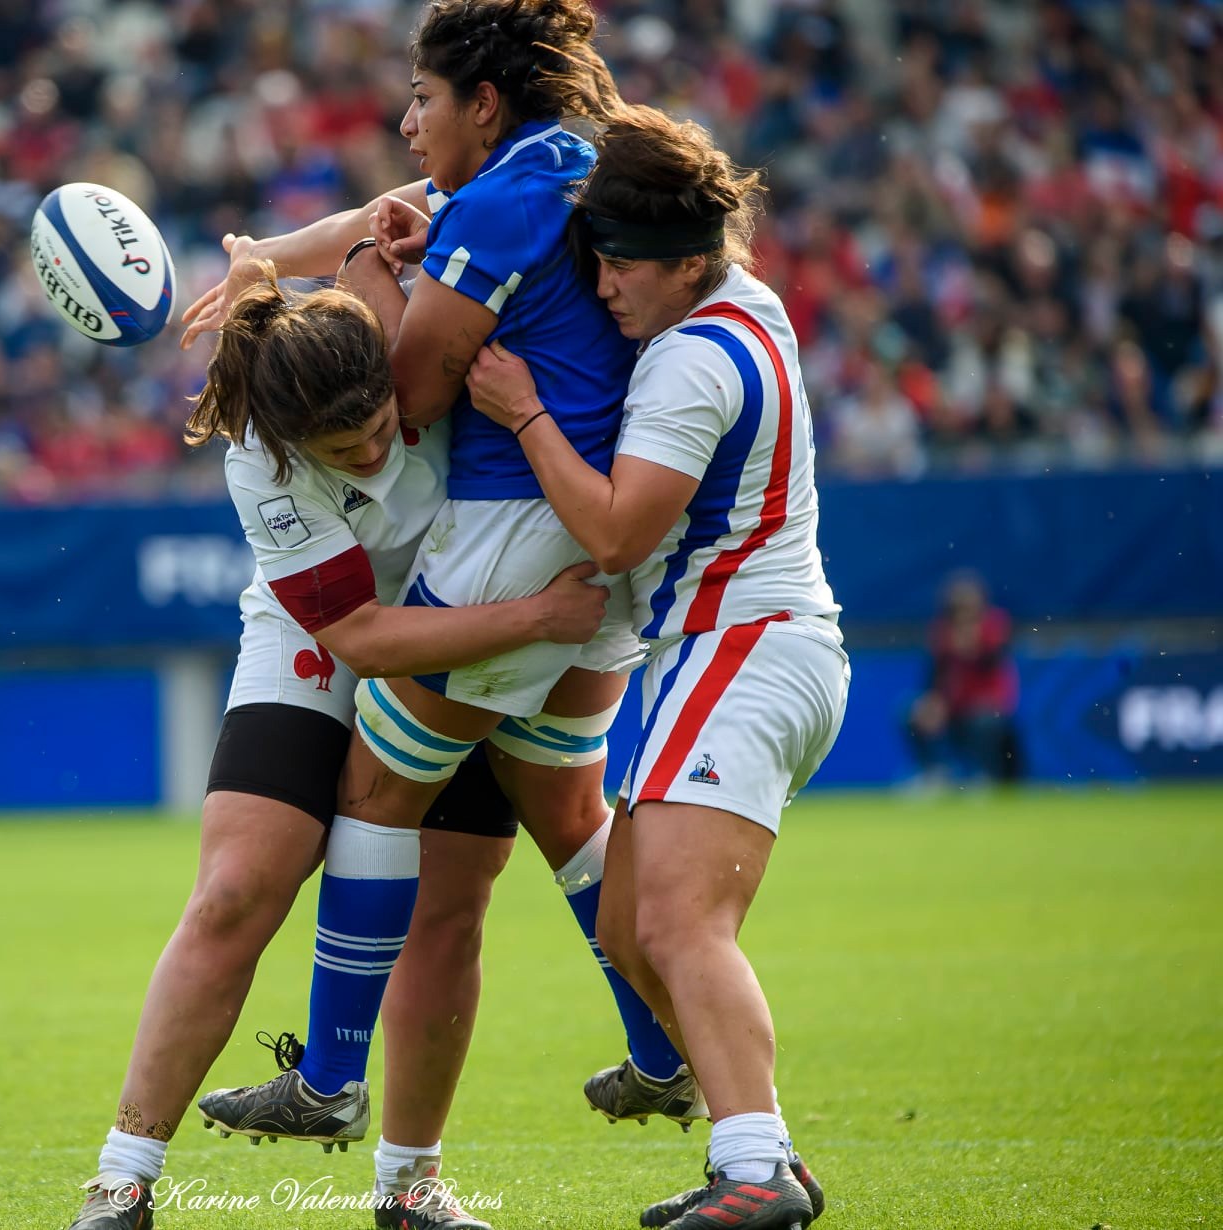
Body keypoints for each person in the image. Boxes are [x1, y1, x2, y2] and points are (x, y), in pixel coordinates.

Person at [181, 7, 700, 1220]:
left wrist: (378, 280)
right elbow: (405, 235)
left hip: (513, 524)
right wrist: (288, 254)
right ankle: (666, 1049)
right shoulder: (595, 158)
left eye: (424, 98)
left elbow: (401, 398)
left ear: (485, 99)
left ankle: (330, 1077)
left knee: (374, 795)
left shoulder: (498, 201)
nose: (411, 125)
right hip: (610, 515)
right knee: (570, 807)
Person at [66, 265, 653, 1230]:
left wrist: (300, 239)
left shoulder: (421, 338)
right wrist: (538, 616)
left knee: (451, 912)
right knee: (236, 890)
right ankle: (121, 1182)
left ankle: (408, 1188)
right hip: (329, 637)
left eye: (385, 423)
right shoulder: (258, 456)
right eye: (345, 449)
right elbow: (364, 640)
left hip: (471, 620)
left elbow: (414, 209)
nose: (377, 449)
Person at [464, 104, 848, 1229]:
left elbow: (619, 536)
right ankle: (759, 1148)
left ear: (689, 262)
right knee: (629, 930)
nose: (603, 282)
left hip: (741, 647)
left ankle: (758, 1172)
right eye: (595, 253)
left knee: (680, 931)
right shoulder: (744, 298)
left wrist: (527, 413)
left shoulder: (687, 361)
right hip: (745, 650)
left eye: (624, 260)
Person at [906, 571, 1021, 784]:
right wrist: (934, 701)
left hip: (988, 709)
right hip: (953, 710)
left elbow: (993, 663)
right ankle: (934, 772)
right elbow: (935, 674)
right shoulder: (942, 631)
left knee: (984, 721)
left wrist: (972, 647)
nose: (963, 612)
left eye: (968, 606)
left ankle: (985, 775)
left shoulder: (994, 625)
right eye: (957, 607)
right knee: (910, 712)